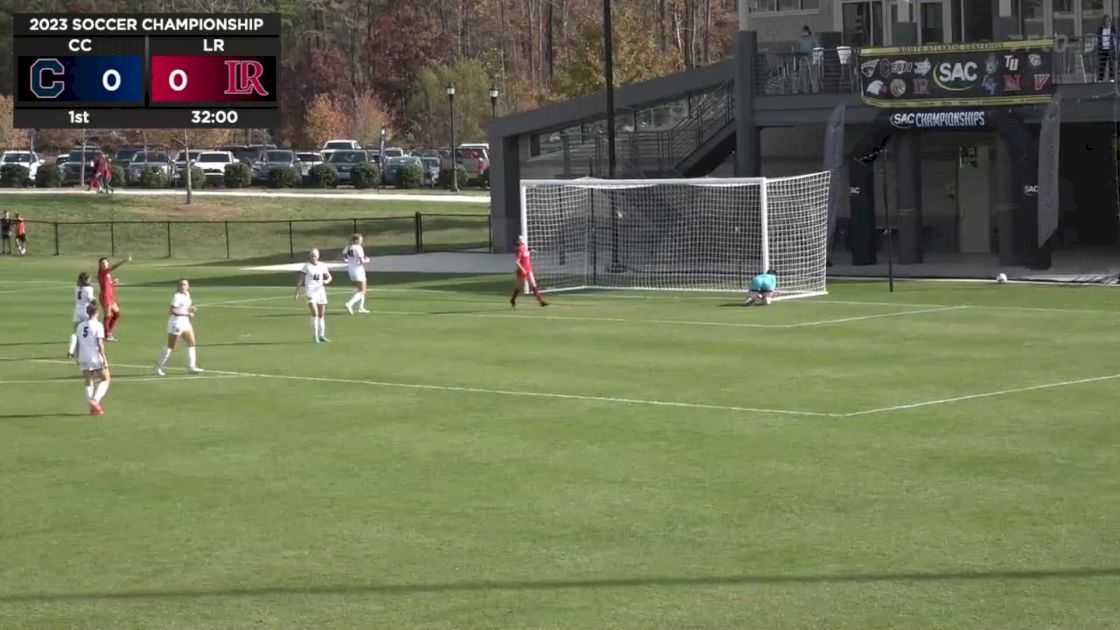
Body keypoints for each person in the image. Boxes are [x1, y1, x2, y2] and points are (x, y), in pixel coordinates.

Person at [155, 279, 203, 376]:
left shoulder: (187, 294)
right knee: (171, 346)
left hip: (185, 322)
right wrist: (187, 314)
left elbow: (185, 308)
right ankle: (158, 367)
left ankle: (192, 367)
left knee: (191, 343)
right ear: (178, 287)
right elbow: (172, 311)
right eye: (181, 285)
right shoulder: (177, 297)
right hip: (176, 323)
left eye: (185, 285)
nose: (183, 287)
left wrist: (191, 310)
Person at [75, 303, 110, 417]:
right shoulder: (97, 325)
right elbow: (100, 343)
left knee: (88, 381)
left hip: (83, 356)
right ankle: (95, 400)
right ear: (96, 312)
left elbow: (78, 342)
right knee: (106, 378)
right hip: (94, 356)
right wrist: (104, 358)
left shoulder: (80, 326)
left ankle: (93, 409)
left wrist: (77, 356)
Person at [295, 248, 333, 343]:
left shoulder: (322, 266)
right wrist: (297, 291)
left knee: (321, 314)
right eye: (312, 256)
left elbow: (329, 277)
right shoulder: (306, 267)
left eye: (315, 256)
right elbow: (301, 280)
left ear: (318, 256)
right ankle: (315, 335)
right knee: (315, 314)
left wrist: (326, 281)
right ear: (310, 257)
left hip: (320, 292)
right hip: (310, 292)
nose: (313, 258)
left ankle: (322, 335)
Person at [510, 235, 548, 308]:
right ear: (518, 241)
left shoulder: (524, 247)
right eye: (520, 239)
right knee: (520, 287)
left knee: (533, 284)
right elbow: (517, 262)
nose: (521, 240)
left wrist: (531, 251)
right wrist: (523, 269)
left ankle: (541, 301)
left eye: (521, 239)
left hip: (528, 269)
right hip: (522, 271)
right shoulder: (519, 250)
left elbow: (526, 254)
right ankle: (512, 299)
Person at [97, 255, 130, 341]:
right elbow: (114, 267)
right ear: (100, 265)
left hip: (111, 297)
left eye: (105, 262)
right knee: (108, 316)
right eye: (102, 263)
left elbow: (107, 284)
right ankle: (107, 335)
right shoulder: (102, 272)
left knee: (117, 314)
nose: (104, 264)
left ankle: (108, 332)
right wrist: (124, 260)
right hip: (105, 297)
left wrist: (113, 282)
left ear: (108, 263)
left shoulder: (107, 274)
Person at [68, 271, 96, 358]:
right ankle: (92, 350)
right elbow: (90, 300)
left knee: (75, 332)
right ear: (87, 280)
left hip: (77, 310)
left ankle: (70, 351)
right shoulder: (89, 289)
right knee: (91, 330)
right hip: (86, 311)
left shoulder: (77, 288)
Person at [342, 233, 371, 314]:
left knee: (360, 289)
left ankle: (360, 308)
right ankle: (349, 303)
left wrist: (348, 260)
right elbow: (362, 261)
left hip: (351, 269)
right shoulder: (358, 248)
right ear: (356, 240)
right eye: (360, 240)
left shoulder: (348, 247)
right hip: (358, 269)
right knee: (363, 290)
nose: (361, 241)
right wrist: (367, 260)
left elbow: (343, 255)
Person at [1099, 15, 1117, 81]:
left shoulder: (1112, 28)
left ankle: (1111, 78)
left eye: (1108, 20)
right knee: (1102, 64)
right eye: (1106, 21)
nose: (1107, 22)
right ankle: (1100, 79)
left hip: (1110, 49)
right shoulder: (1101, 29)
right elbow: (1098, 36)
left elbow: (1115, 36)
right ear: (1104, 21)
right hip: (1103, 49)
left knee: (1111, 64)